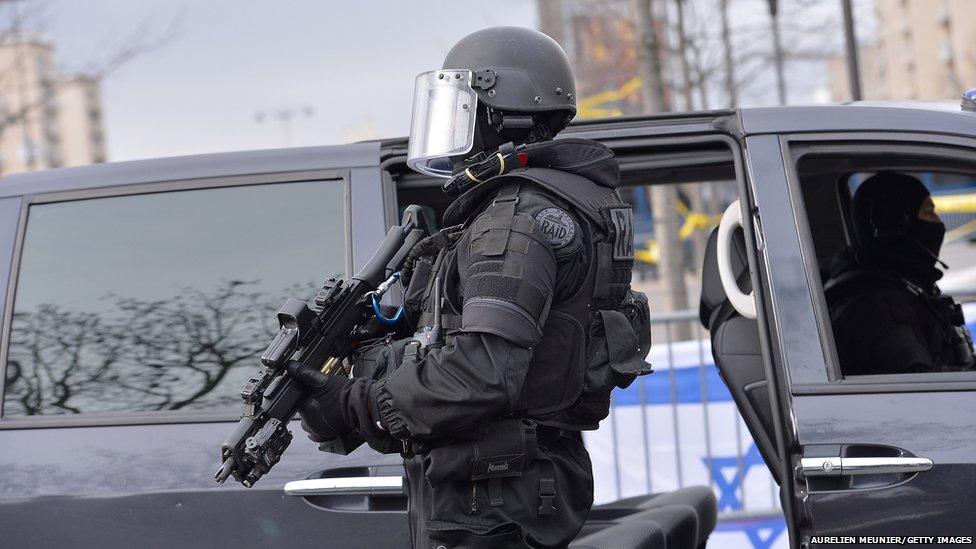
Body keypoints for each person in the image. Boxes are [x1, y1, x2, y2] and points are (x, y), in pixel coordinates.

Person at [285, 27, 652, 548]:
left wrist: (357, 405)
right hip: (509, 490)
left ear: (502, 115)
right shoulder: (564, 204)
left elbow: (483, 372)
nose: (450, 126)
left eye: (462, 107)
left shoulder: (516, 219)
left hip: (492, 503)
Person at [825, 171, 974, 376]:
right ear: (897, 225)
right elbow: (921, 385)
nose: (939, 223)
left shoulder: (904, 286)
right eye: (929, 213)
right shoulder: (882, 308)